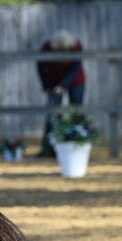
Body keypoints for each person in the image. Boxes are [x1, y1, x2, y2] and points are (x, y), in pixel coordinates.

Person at [37, 29, 85, 157]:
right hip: (53, 81)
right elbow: (40, 66)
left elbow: (75, 69)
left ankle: (79, 146)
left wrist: (62, 85)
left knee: (76, 111)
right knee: (53, 113)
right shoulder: (47, 47)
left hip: (75, 80)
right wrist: (46, 86)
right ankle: (48, 149)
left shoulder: (76, 46)